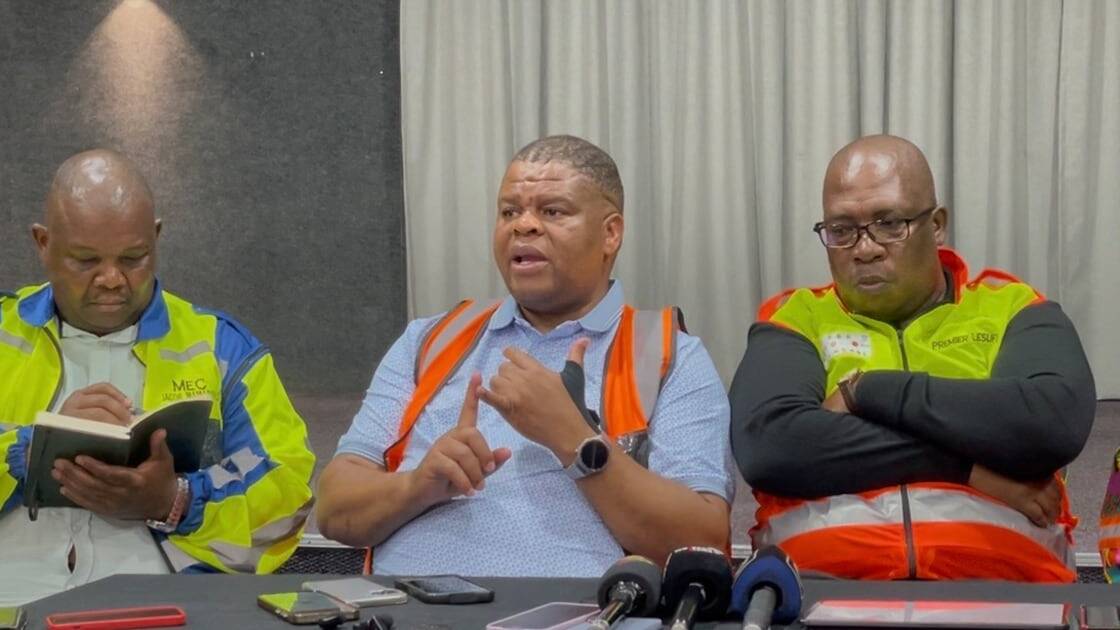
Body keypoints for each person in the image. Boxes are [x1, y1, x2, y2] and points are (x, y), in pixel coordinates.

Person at [317, 134, 734, 577]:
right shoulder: (430, 340)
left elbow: (702, 541)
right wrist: (418, 486)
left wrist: (575, 441)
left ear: (610, 233)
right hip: (404, 604)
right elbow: (334, 508)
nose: (524, 226)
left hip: (580, 610)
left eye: (552, 211)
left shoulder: (668, 355)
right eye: (509, 212)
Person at [730, 134, 1095, 582]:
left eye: (889, 223)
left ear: (937, 225)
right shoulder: (798, 318)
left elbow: (1048, 422)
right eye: (841, 231)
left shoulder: (1011, 308)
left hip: (1006, 586)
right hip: (821, 589)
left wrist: (866, 390)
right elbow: (773, 446)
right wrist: (965, 468)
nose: (865, 249)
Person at [0, 149, 315, 605]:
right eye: (86, 261)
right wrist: (31, 452)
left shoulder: (220, 349)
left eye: (134, 258)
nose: (112, 278)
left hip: (168, 608)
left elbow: (288, 497)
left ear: (157, 237)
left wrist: (174, 500)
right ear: (43, 243)